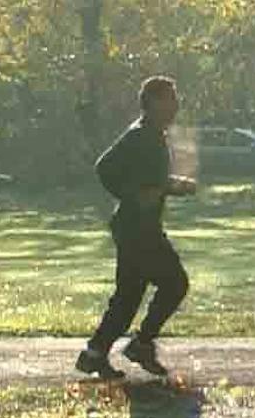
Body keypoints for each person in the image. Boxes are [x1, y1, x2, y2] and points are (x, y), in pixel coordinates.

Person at [78, 75, 195, 378]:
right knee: (175, 283)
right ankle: (141, 344)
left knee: (128, 296)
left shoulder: (155, 135)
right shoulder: (140, 134)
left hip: (136, 226)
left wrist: (172, 186)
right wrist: (132, 194)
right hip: (137, 229)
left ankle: (94, 354)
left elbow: (149, 181)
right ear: (154, 102)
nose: (176, 104)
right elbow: (104, 167)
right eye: (171, 97)